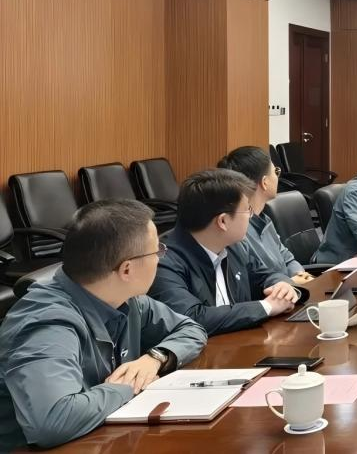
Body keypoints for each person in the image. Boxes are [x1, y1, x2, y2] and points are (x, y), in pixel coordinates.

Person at [0, 200, 207, 450]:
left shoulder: (125, 297)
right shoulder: (45, 323)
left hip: (101, 436)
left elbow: (191, 329)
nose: (161, 258)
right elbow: (52, 421)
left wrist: (155, 358)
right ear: (127, 269)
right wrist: (129, 386)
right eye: (157, 252)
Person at [148, 169, 308, 335]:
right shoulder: (163, 261)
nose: (251, 216)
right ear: (223, 221)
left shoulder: (234, 246)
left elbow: (266, 276)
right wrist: (267, 307)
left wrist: (283, 286)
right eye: (247, 210)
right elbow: (191, 318)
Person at [217, 146, 312, 284]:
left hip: (290, 288)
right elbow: (256, 279)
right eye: (276, 172)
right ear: (265, 182)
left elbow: (287, 258)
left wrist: (300, 276)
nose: (278, 176)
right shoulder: (237, 230)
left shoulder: (264, 218)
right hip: (273, 292)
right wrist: (290, 283)